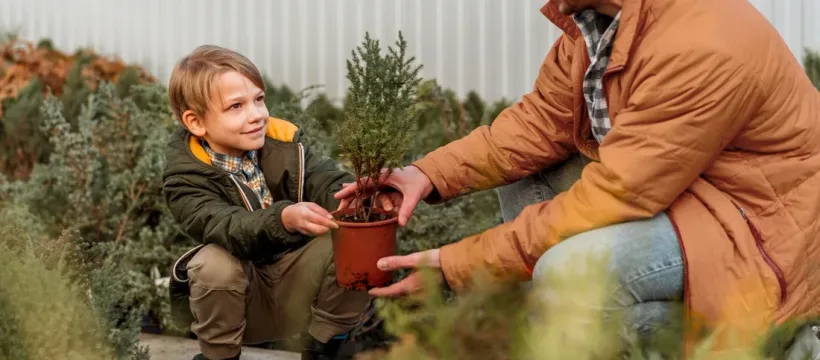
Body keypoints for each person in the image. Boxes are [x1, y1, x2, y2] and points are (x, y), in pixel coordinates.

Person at [335, 0, 820, 353]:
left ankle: (766, 341)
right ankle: (556, 328)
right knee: (527, 179)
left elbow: (613, 193)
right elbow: (540, 123)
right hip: (679, 189)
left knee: (567, 275)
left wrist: (455, 267)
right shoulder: (597, 23)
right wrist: (426, 174)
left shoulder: (704, 42)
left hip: (754, 223)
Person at [162, 45, 372, 360]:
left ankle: (326, 345)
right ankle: (219, 355)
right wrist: (284, 218)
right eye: (236, 106)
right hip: (241, 303)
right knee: (213, 263)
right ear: (196, 122)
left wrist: (361, 194)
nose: (257, 115)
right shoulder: (185, 177)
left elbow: (326, 181)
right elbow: (228, 227)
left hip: (299, 290)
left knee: (358, 236)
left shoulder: (283, 143)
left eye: (259, 99)